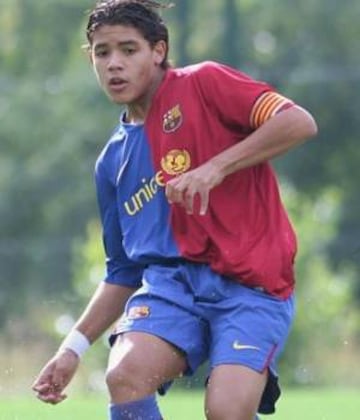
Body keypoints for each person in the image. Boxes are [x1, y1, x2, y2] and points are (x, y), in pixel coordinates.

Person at [32, 1, 318, 419]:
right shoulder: (112, 162)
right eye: (102, 52)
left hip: (251, 286)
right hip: (172, 289)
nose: (114, 64)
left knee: (225, 411)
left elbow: (298, 122)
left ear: (158, 51)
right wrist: (71, 349)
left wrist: (215, 168)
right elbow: (124, 272)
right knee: (125, 375)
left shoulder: (203, 83)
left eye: (129, 50)